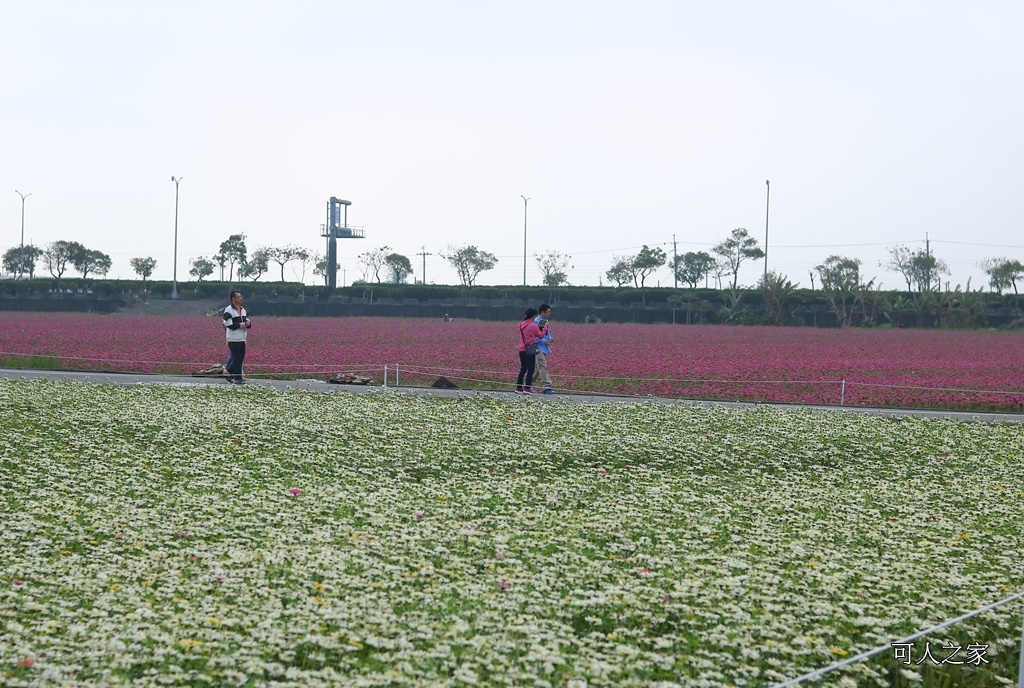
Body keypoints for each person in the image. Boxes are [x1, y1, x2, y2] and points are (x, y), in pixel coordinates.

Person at [515, 307, 547, 395]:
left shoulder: (521, 324)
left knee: (523, 368)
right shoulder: (533, 325)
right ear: (534, 316)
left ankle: (519, 387)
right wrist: (544, 328)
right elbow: (540, 336)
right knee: (531, 368)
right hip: (530, 349)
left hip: (521, 349)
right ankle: (528, 387)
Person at [222, 290, 252, 384]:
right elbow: (227, 323)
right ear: (233, 299)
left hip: (242, 337)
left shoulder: (243, 309)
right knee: (236, 357)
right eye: (239, 297)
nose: (241, 298)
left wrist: (248, 323)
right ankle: (238, 378)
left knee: (240, 358)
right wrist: (239, 325)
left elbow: (246, 319)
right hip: (233, 338)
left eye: (240, 297)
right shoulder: (228, 310)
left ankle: (228, 372)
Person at [533, 303, 555, 394]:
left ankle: (527, 384)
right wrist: (543, 341)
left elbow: (547, 333)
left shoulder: (545, 321)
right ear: (543, 312)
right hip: (538, 347)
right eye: (548, 312)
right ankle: (547, 387)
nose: (549, 314)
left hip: (544, 347)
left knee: (538, 368)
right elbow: (536, 335)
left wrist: (550, 339)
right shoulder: (537, 321)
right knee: (543, 366)